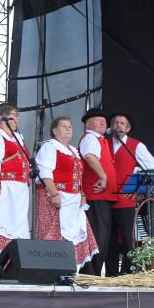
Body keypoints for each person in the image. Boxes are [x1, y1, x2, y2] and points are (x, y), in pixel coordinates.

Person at [35, 116, 99, 270]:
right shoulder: (50, 147)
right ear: (55, 131)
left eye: (70, 127)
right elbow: (45, 173)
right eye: (64, 126)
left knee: (73, 234)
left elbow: (77, 176)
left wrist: (82, 194)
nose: (68, 129)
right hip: (56, 197)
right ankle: (51, 269)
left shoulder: (73, 150)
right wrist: (54, 194)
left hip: (73, 199)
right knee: (54, 233)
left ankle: (69, 270)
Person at [106, 112, 154, 276]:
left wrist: (137, 188)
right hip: (106, 197)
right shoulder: (104, 143)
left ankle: (129, 272)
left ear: (128, 128)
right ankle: (111, 274)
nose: (118, 125)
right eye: (115, 123)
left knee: (127, 237)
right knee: (108, 238)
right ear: (111, 126)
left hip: (124, 198)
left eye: (122, 123)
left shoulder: (136, 145)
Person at [0, 103, 31, 254]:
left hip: (19, 190)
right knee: (2, 223)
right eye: (15, 115)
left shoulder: (17, 139)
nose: (18, 119)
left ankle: (13, 263)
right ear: (3, 118)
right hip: (5, 188)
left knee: (17, 227)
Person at [78, 108, 118, 276]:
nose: (103, 122)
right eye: (97, 119)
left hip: (103, 196)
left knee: (103, 236)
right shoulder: (90, 138)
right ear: (88, 124)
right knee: (98, 236)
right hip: (95, 195)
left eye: (104, 120)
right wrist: (103, 176)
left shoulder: (101, 140)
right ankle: (89, 274)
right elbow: (90, 156)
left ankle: (93, 273)